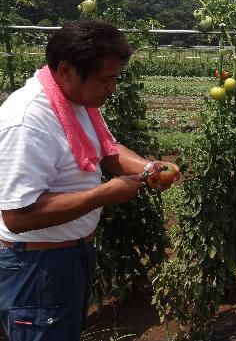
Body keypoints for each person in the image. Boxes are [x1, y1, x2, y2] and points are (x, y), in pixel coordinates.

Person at [0, 21, 180, 340]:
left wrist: (148, 167)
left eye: (115, 78)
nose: (112, 88)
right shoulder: (28, 122)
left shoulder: (74, 101)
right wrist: (102, 195)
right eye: (105, 79)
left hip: (67, 256)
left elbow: (107, 151)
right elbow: (16, 216)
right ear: (67, 69)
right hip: (36, 265)